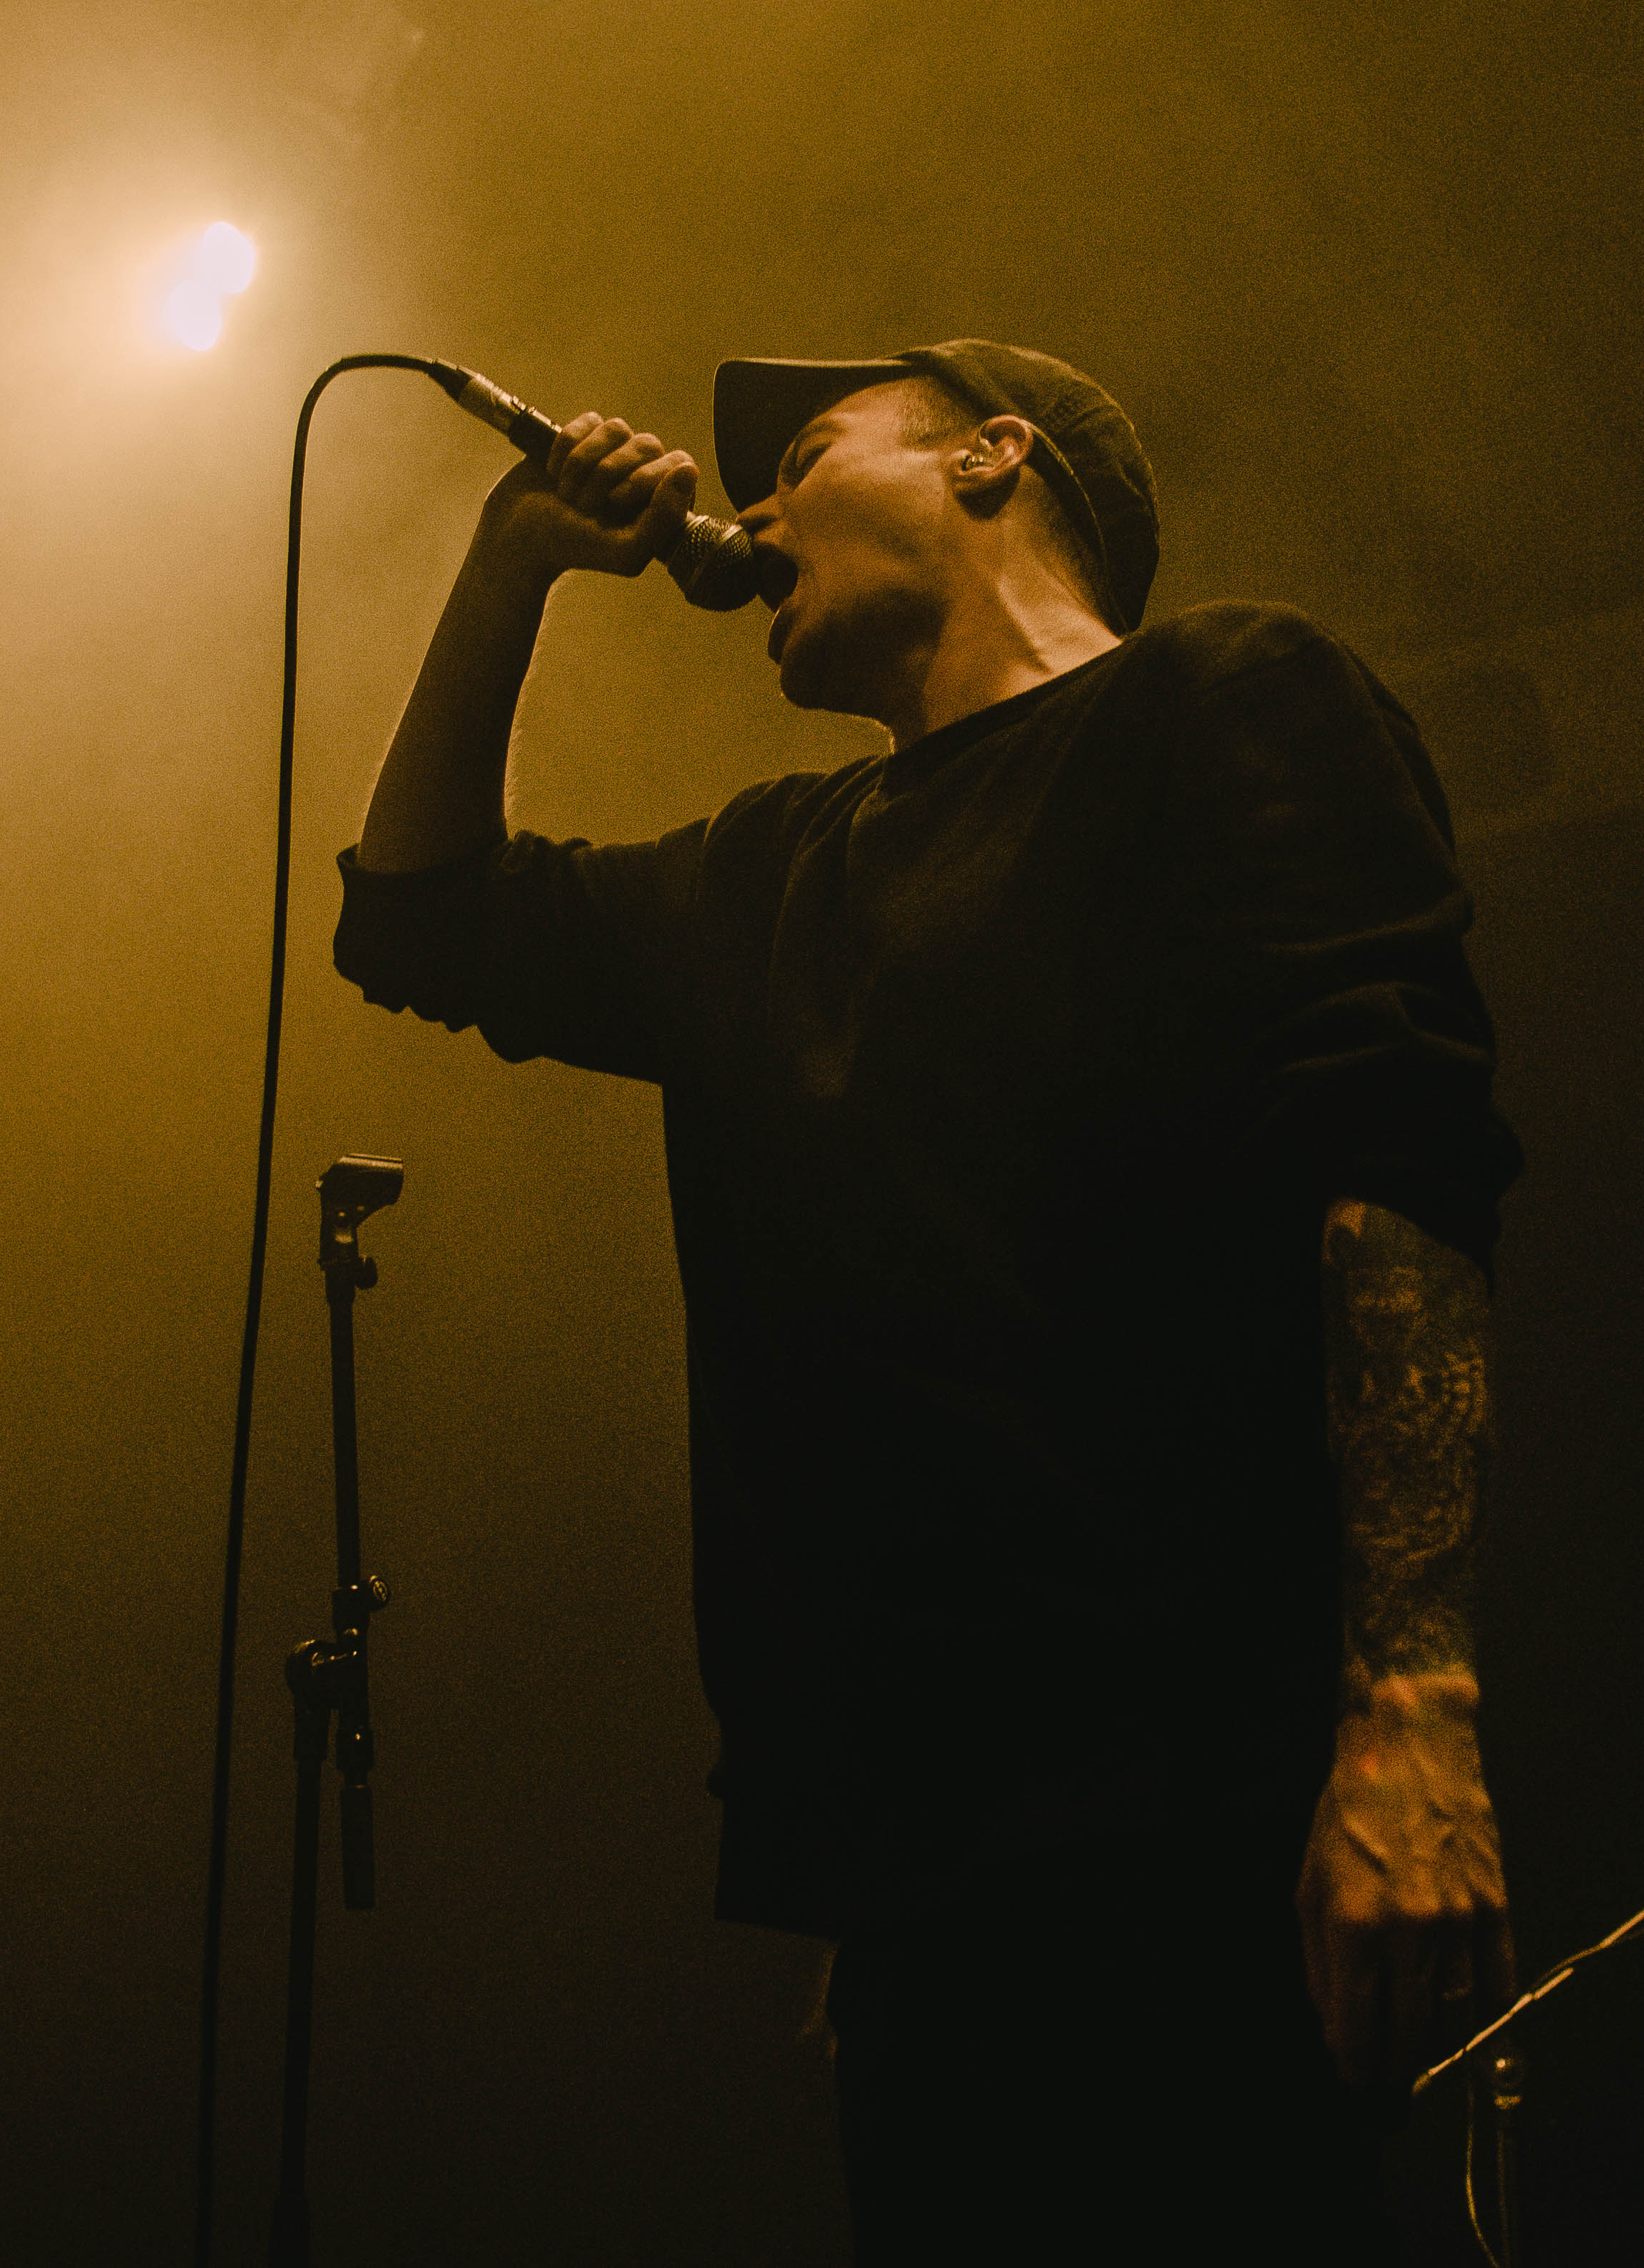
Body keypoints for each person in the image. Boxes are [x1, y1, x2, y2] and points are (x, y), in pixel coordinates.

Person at [335, 340, 1522, 2261]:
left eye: (808, 454)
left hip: (1192, 1807)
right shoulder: (773, 872)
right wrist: (510, 563)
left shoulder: (1220, 697)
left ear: (990, 458)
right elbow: (413, 917)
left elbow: (1395, 1178)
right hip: (910, 1871)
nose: (756, 510)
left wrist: (1415, 1708)